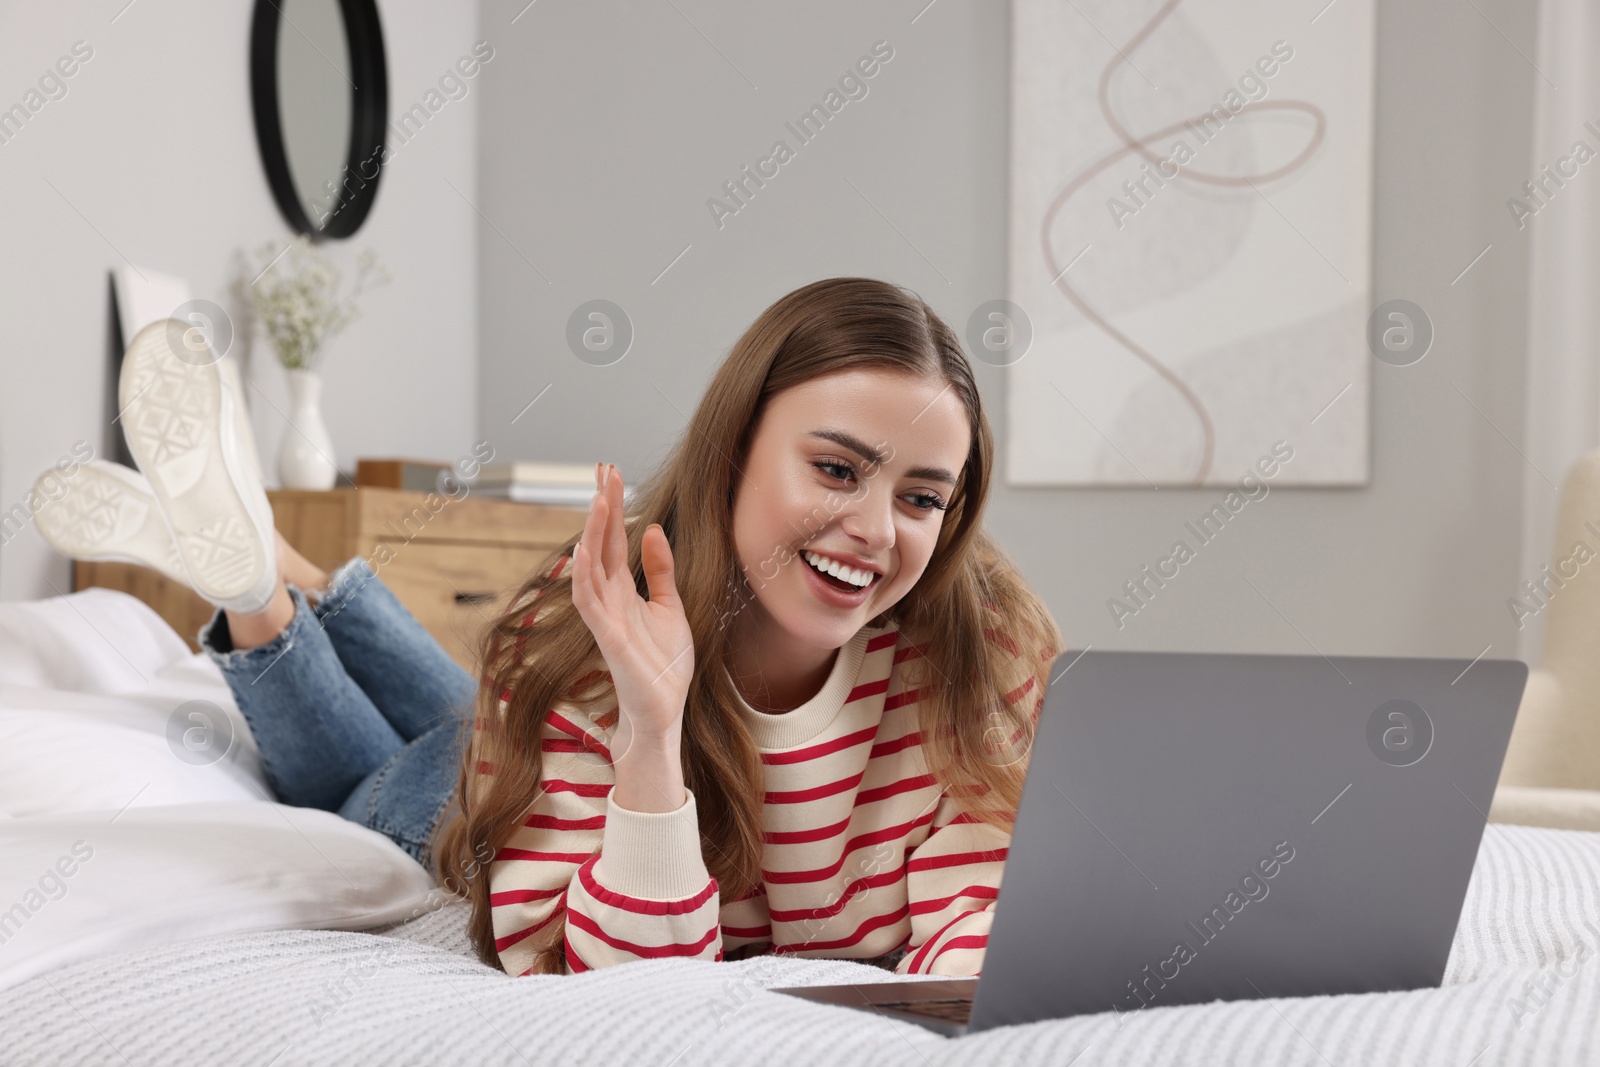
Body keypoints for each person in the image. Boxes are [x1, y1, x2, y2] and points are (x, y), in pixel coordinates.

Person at [37, 277, 1063, 980]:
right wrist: (652, 733)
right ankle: (260, 594)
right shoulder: (575, 632)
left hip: (513, 730)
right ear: (736, 448)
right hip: (495, 802)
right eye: (835, 469)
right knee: (380, 779)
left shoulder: (974, 648)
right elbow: (607, 986)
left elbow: (982, 936)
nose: (876, 529)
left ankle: (278, 562)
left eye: (924, 496)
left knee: (451, 700)